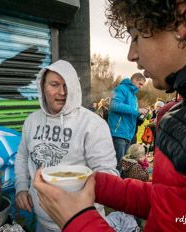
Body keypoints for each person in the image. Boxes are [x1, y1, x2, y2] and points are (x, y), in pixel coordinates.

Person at [33, 0, 186, 231]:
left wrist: (78, 220)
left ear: (183, 22)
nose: (131, 55)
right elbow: (171, 204)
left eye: (136, 36)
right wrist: (94, 183)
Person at [14, 59, 118, 232]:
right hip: (42, 222)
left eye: (66, 85)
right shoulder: (31, 121)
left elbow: (107, 173)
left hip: (83, 224)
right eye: (54, 85)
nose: (62, 92)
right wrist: (21, 187)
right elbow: (22, 156)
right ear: (42, 87)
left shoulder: (93, 124)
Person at [107, 73, 147, 169]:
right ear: (134, 80)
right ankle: (114, 183)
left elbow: (131, 113)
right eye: (140, 84)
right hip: (118, 132)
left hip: (128, 134)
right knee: (118, 164)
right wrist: (137, 110)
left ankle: (122, 183)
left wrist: (140, 117)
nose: (141, 87)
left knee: (124, 165)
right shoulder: (121, 89)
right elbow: (114, 105)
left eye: (142, 85)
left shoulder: (134, 96)